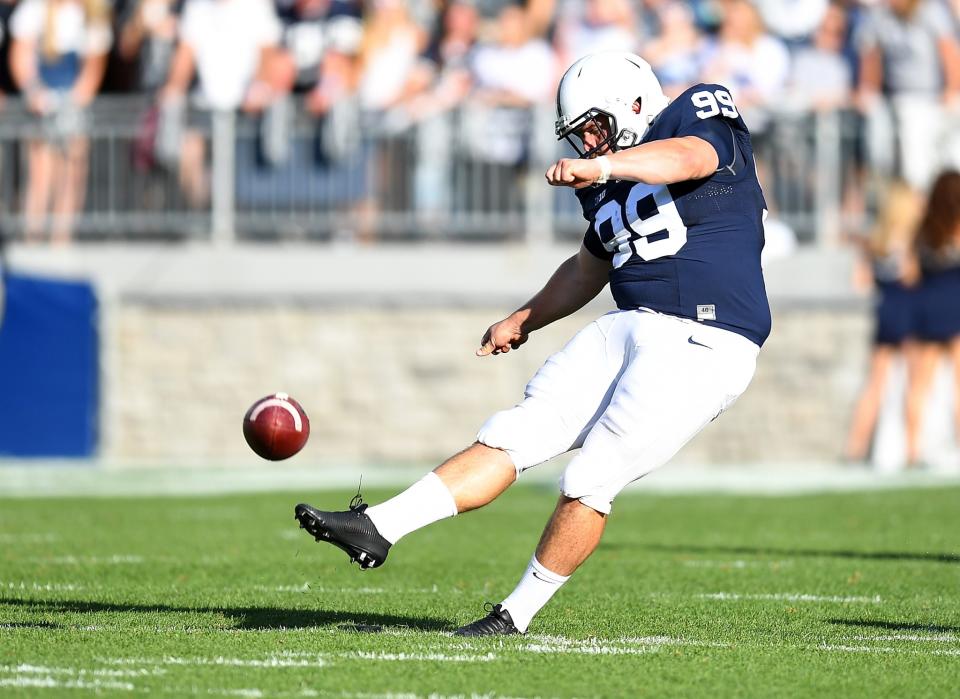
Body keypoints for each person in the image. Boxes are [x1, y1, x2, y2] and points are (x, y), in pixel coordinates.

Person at [295, 51, 771, 636]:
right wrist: (522, 318)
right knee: (514, 431)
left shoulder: (694, 113)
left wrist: (605, 168)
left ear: (635, 104)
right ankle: (380, 527)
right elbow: (585, 269)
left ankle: (513, 616)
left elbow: (689, 158)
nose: (588, 144)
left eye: (595, 127)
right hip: (633, 323)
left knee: (589, 479)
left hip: (706, 337)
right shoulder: (605, 181)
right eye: (580, 136)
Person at [8, 0, 112, 245]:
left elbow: (93, 68)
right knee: (41, 173)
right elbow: (21, 57)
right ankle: (33, 236)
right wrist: (36, 94)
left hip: (73, 105)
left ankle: (61, 237)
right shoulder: (35, 10)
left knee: (72, 172)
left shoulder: (92, 14)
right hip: (42, 105)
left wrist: (72, 102)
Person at [844, 181, 922, 464]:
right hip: (910, 313)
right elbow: (913, 277)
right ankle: (913, 451)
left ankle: (855, 449)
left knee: (875, 384)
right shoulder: (910, 239)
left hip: (885, 312)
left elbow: (861, 282)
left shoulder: (875, 239)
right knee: (914, 384)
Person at [908, 171, 960, 461]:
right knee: (958, 381)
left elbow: (912, 274)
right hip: (955, 305)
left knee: (920, 383)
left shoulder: (925, 229)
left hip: (928, 307)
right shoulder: (956, 228)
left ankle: (913, 448)